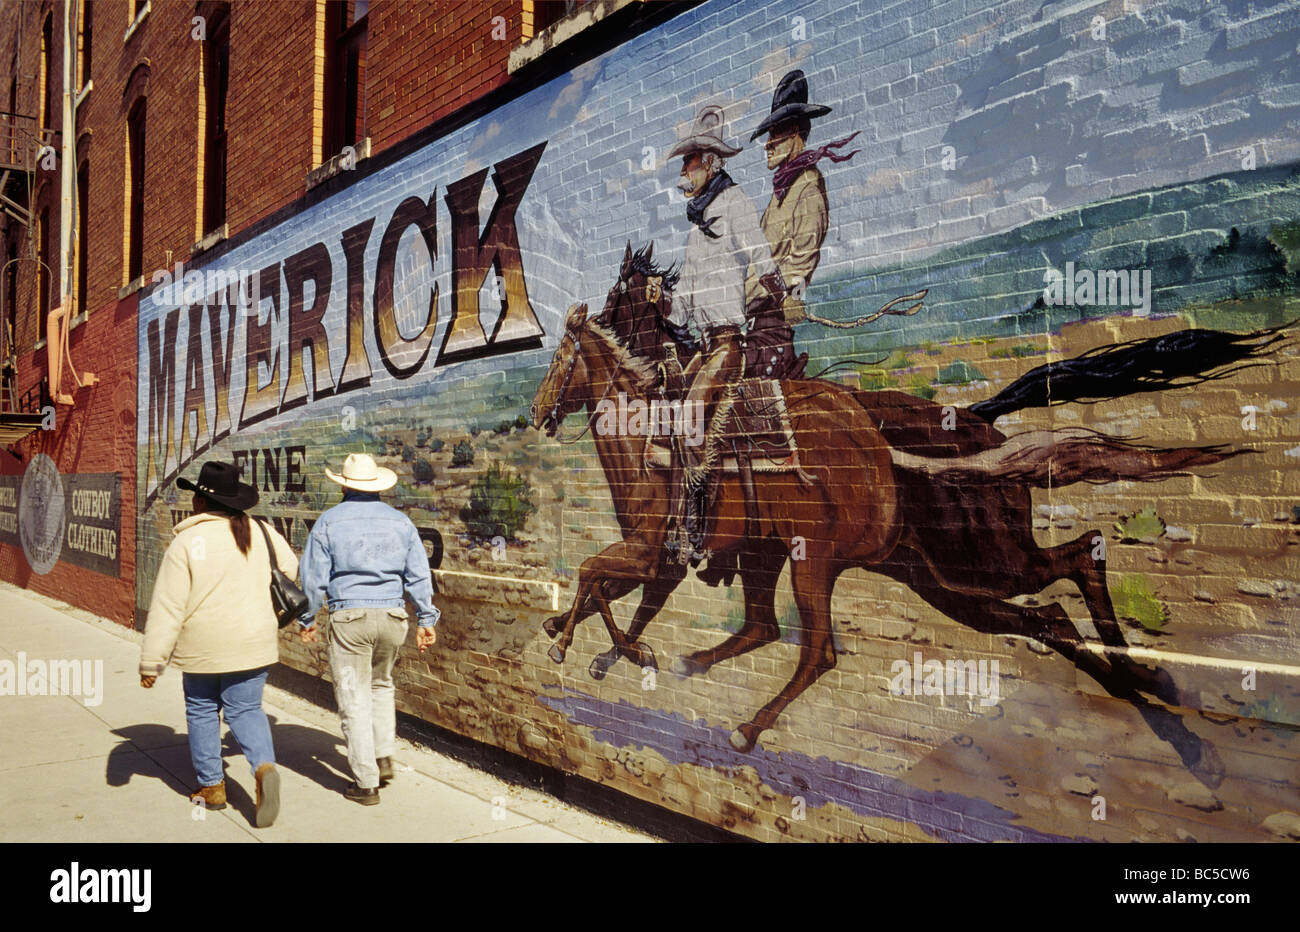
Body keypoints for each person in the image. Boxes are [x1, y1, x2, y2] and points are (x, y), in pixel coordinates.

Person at [140, 460, 297, 829]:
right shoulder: (261, 531)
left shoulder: (187, 542)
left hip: (203, 648)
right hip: (253, 641)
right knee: (246, 710)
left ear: (199, 502)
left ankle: (212, 788)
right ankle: (263, 767)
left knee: (201, 709)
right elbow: (289, 570)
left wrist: (152, 662)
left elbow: (168, 606)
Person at [666, 104, 785, 564]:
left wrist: (781, 291)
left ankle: (698, 524)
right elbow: (683, 303)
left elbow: (761, 255)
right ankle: (678, 513)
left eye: (689, 161)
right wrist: (663, 305)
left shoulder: (734, 203)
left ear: (710, 163)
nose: (683, 169)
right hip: (703, 343)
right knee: (669, 403)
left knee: (693, 413)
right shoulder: (696, 228)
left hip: (729, 343)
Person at [297, 452, 439, 805]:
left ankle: (366, 782)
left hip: (350, 619)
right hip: (392, 617)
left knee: (353, 698)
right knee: (380, 684)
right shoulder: (401, 522)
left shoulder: (329, 522)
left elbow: (313, 580)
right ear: (377, 486)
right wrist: (426, 619)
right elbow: (420, 575)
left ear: (343, 485)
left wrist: (306, 618)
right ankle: (382, 754)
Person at [744, 69, 859, 379]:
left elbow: (803, 258)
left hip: (773, 330)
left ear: (795, 133)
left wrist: (789, 297)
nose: (767, 144)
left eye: (775, 134)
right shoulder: (780, 193)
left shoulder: (807, 185)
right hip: (753, 324)